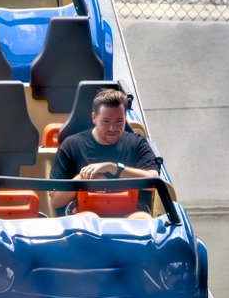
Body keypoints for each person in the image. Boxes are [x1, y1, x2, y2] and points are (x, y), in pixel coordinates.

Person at [49, 88, 159, 219]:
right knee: (89, 219)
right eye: (106, 121)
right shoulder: (71, 145)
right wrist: (85, 177)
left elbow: (154, 182)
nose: (113, 128)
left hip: (130, 215)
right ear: (94, 118)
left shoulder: (137, 143)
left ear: (125, 118)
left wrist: (113, 168)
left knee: (142, 219)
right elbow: (55, 200)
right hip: (85, 214)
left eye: (119, 121)